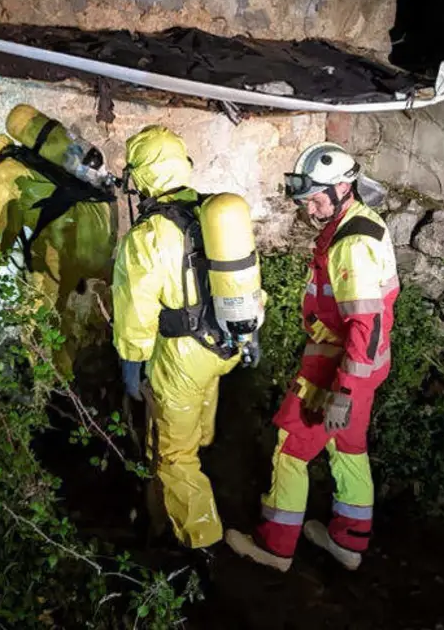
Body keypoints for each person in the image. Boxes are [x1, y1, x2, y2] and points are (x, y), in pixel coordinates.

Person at [225, 142, 398, 572]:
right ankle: (348, 541)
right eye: (306, 201)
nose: (309, 209)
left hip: (337, 368)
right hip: (364, 367)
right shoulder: (361, 222)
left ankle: (274, 546)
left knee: (290, 450)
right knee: (349, 448)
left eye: (317, 198)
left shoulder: (351, 244)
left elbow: (365, 324)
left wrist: (343, 391)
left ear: (343, 187)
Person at [112, 125, 252, 549]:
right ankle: (197, 457)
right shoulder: (215, 213)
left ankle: (201, 544)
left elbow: (135, 311)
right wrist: (250, 339)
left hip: (182, 359)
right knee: (196, 424)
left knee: (173, 456)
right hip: (224, 346)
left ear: (142, 177)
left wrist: (131, 367)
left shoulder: (149, 236)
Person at [0, 120, 117, 377]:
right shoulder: (20, 155)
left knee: (37, 319)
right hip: (97, 229)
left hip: (64, 240)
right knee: (83, 310)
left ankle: (54, 386)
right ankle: (101, 362)